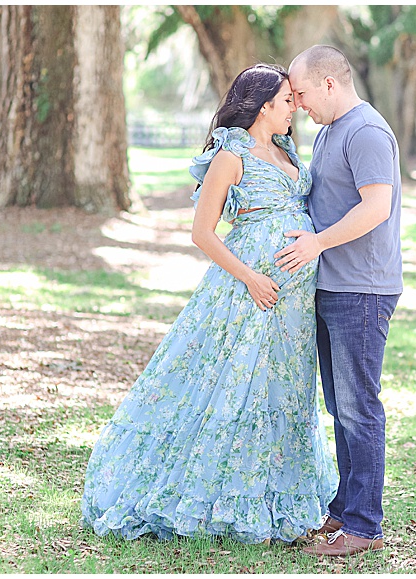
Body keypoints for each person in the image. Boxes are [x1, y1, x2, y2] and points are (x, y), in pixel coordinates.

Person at [80, 63, 337, 545]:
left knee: (282, 390)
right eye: (287, 101)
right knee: (238, 385)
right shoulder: (231, 155)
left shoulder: (285, 149)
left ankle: (278, 488)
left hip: (295, 305)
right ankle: (217, 493)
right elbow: (202, 232)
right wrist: (253, 278)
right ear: (263, 106)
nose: (294, 108)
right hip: (251, 295)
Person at [273, 45, 403, 557]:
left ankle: (363, 527)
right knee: (340, 406)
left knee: (358, 408)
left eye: (301, 93)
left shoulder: (366, 131)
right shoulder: (330, 130)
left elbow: (377, 206)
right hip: (333, 285)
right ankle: (343, 510)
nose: (298, 103)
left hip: (363, 289)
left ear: (328, 84)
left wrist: (317, 243)